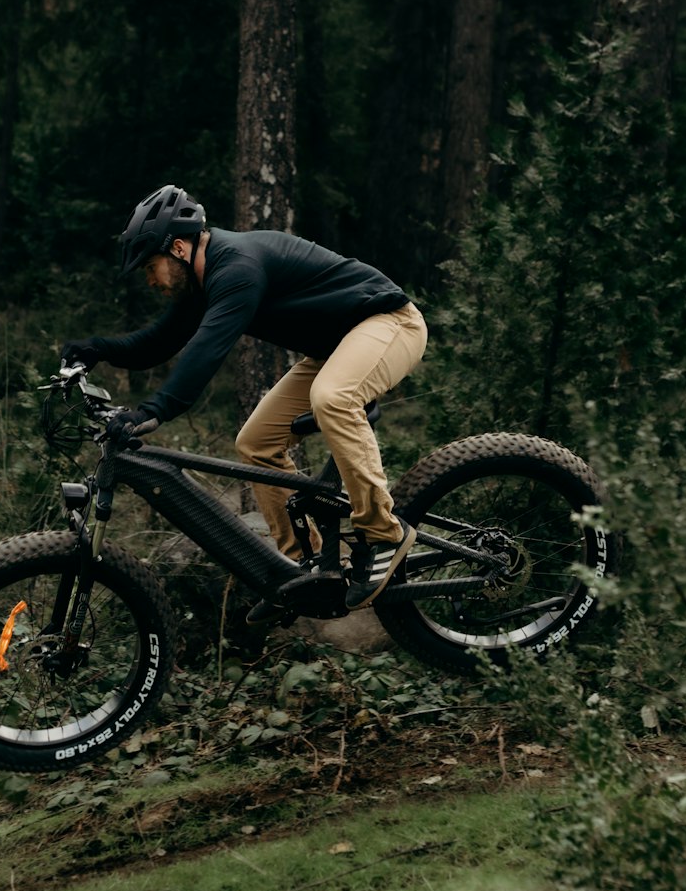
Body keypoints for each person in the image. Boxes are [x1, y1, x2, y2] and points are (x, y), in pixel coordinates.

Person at [60, 184, 427, 611]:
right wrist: (96, 348)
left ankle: (384, 534)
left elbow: (206, 350)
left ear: (178, 248)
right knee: (256, 443)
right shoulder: (202, 279)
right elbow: (159, 342)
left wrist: (154, 411)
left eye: (150, 265)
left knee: (333, 398)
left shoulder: (236, 267)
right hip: (337, 347)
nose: (149, 279)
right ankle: (301, 565)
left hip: (389, 322)